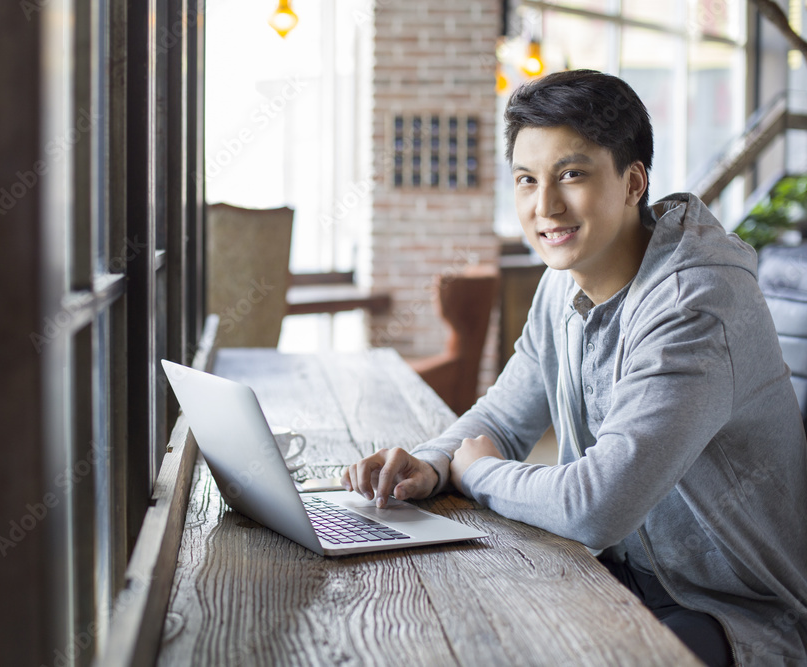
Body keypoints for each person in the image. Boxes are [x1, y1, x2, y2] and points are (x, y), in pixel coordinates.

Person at [342, 69, 807, 666]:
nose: (545, 206)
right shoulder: (561, 286)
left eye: (571, 175)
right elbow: (505, 419)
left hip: (732, 615)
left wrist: (478, 474)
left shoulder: (696, 303)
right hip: (616, 575)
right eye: (527, 181)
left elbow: (594, 506)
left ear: (633, 182)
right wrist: (432, 462)